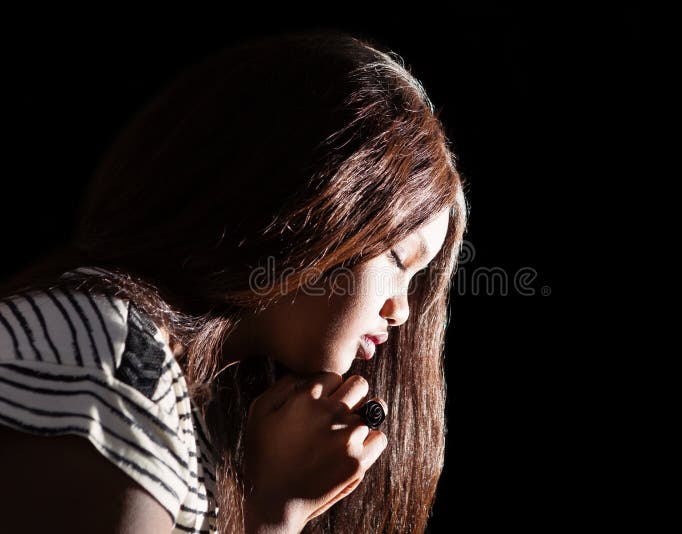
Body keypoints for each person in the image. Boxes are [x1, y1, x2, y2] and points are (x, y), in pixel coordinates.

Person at [0, 29, 467, 534]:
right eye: (398, 260)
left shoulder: (186, 400)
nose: (401, 310)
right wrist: (272, 519)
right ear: (311, 206)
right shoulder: (104, 349)